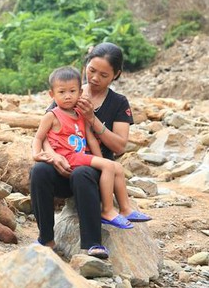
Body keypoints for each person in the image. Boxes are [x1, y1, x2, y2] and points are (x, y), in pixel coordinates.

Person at [29, 42, 151, 259]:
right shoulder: (69, 90)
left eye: (103, 75)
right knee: (39, 171)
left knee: (82, 173)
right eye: (91, 70)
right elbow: (47, 132)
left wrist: (93, 120)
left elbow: (120, 146)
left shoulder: (118, 103)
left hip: (94, 170)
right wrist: (54, 156)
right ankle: (46, 239)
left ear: (116, 75)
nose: (94, 78)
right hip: (64, 162)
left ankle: (93, 243)